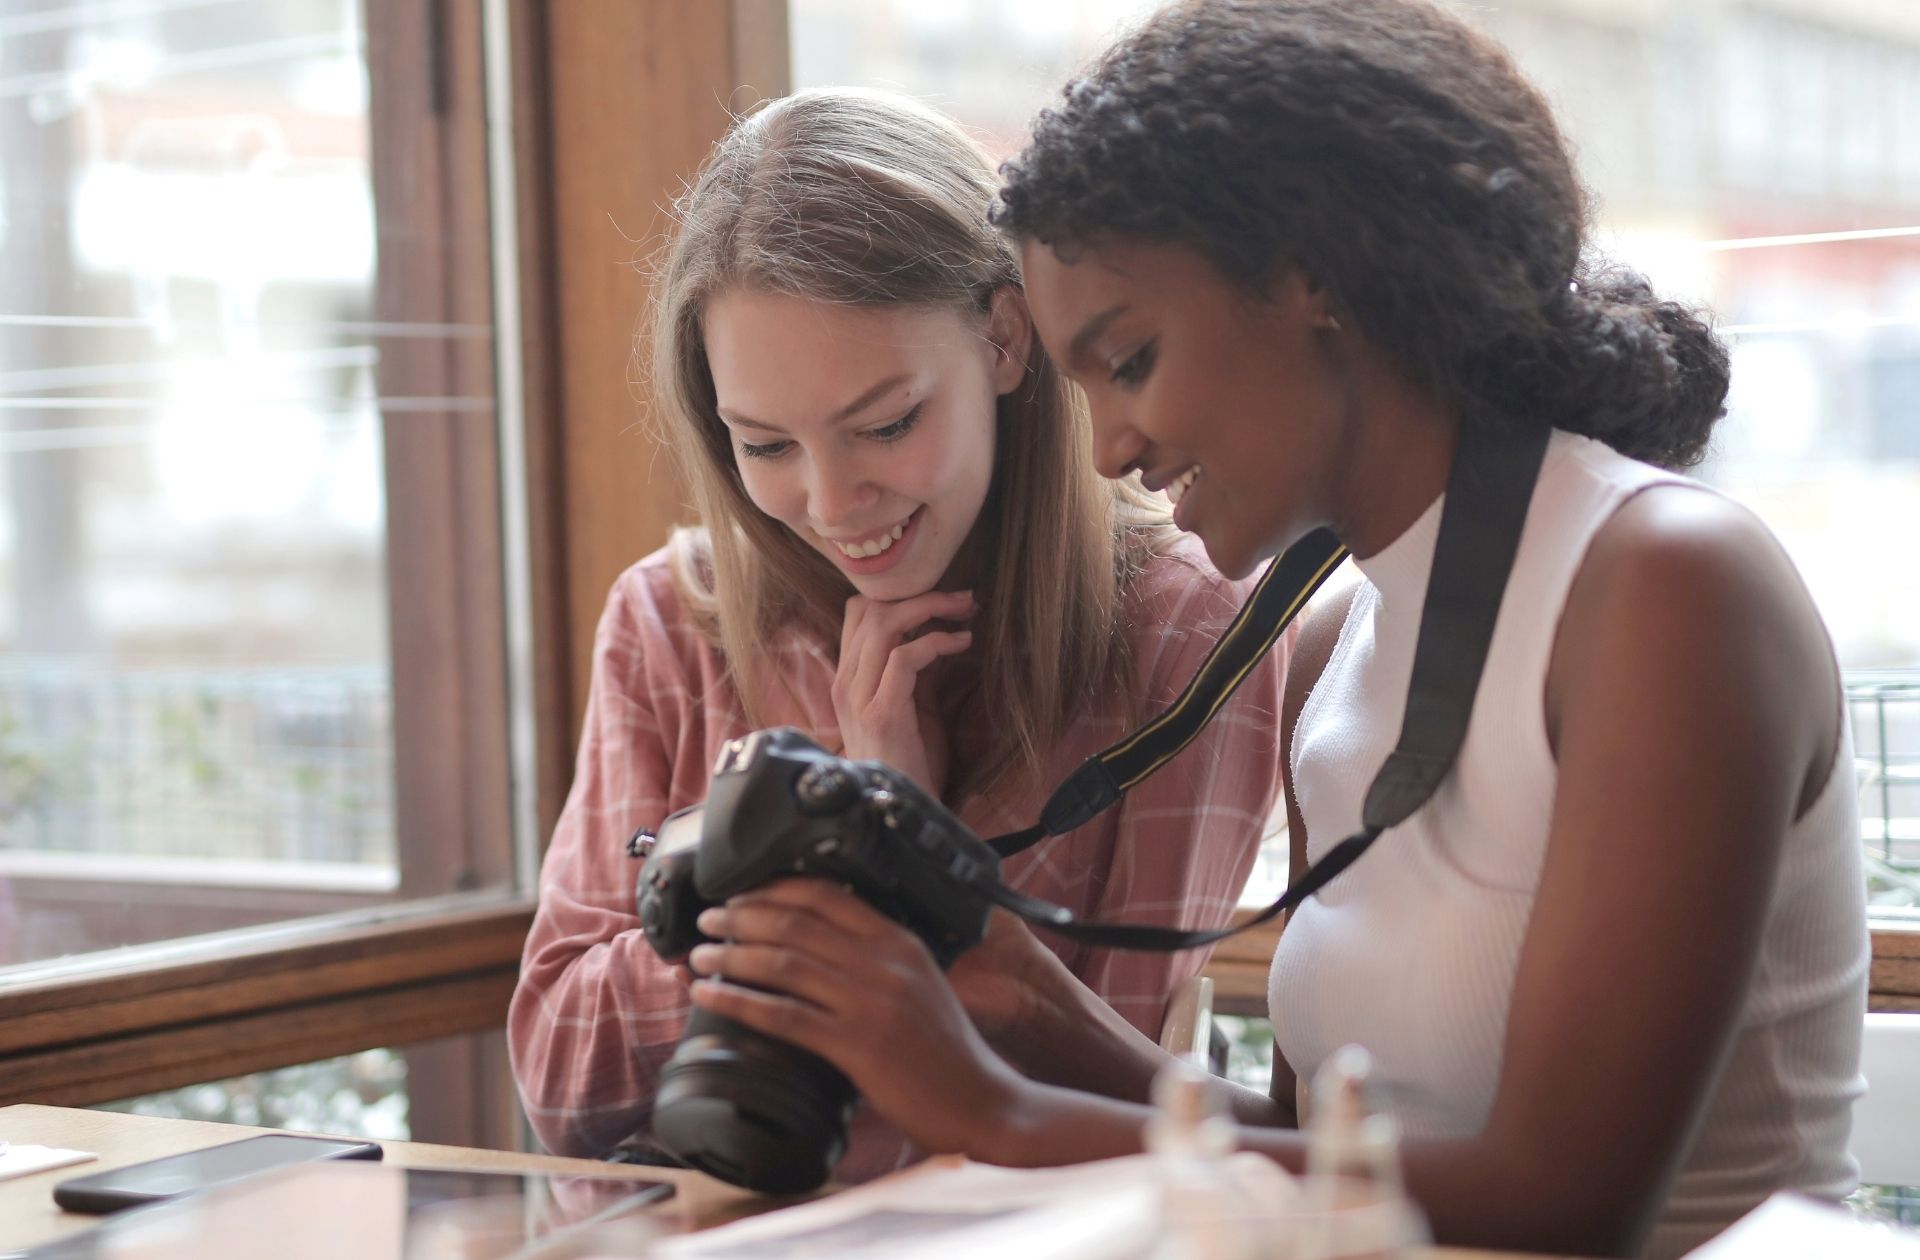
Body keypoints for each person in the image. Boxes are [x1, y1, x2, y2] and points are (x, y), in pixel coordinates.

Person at [678, 4, 1869, 1256]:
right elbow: (1326, 1157)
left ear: (1313, 280)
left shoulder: (1667, 586)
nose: (1110, 448)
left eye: (1128, 361)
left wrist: (994, 1109)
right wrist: (1023, 995)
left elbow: (1564, 1198)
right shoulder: (1334, 643)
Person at [507, 87, 1289, 1184]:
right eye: (766, 445)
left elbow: (1092, 1096)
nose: (833, 503)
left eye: (885, 425)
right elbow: (558, 1085)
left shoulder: (1184, 634)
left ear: (1007, 340)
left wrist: (910, 851)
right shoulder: (676, 620)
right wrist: (811, 858)